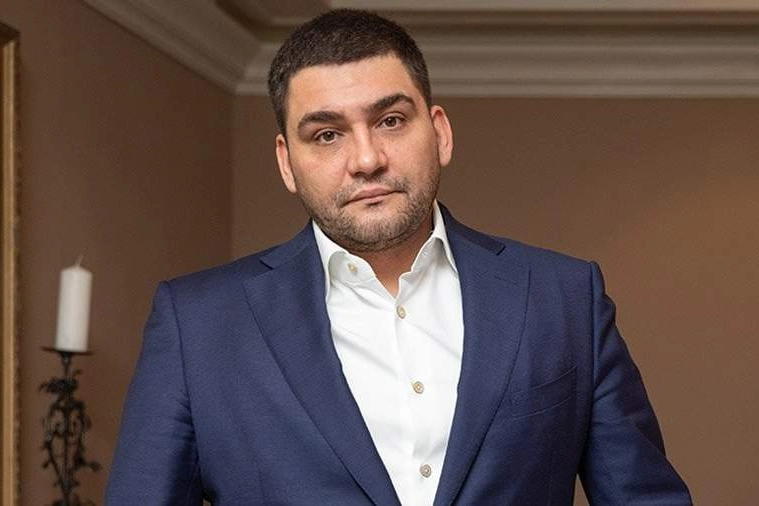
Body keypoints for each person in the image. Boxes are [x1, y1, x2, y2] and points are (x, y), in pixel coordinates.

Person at [106, 9, 691, 505]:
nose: (367, 159)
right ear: (286, 162)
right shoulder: (197, 326)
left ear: (439, 133)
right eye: (327, 134)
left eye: (390, 121)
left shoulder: (564, 298)